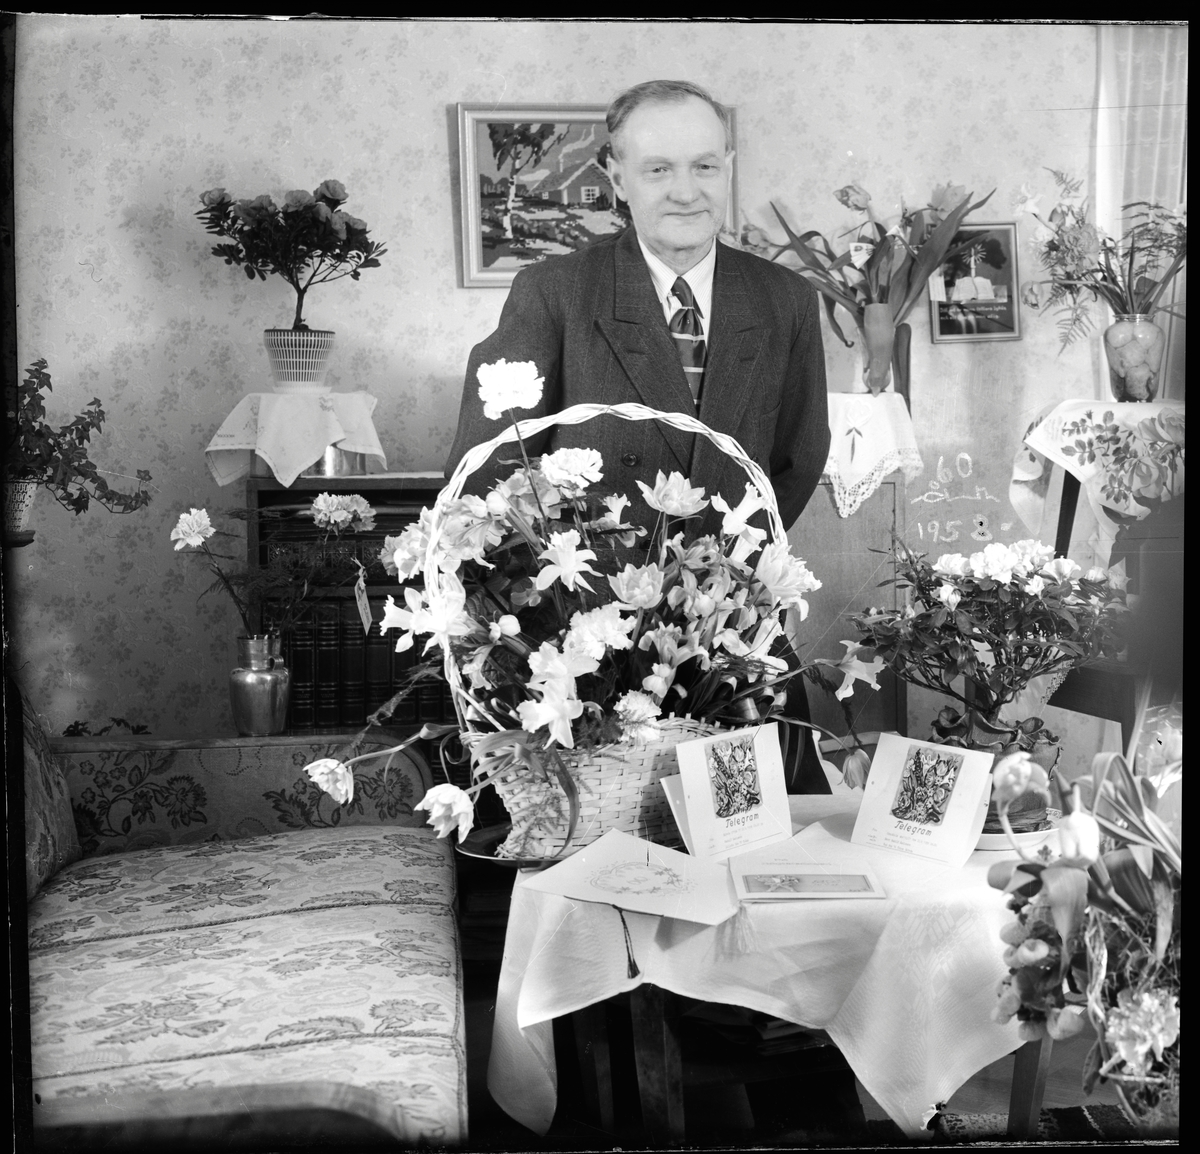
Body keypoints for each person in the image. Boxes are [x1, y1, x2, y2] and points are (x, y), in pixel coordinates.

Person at [446, 79, 832, 791]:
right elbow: (486, 477)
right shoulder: (555, 291)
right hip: (590, 644)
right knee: (603, 835)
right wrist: (546, 616)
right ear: (616, 176)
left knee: (753, 827)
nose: (686, 190)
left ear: (728, 167)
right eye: (658, 169)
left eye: (705, 166)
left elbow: (796, 458)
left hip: (728, 630)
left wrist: (723, 581)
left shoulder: (785, 299)